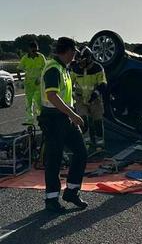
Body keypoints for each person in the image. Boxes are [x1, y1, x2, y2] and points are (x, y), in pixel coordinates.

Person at [38, 37, 88, 213]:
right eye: (73, 52)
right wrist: (73, 115)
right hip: (53, 119)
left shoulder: (63, 68)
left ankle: (72, 191)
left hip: (64, 118)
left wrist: (72, 115)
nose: (75, 56)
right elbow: (52, 96)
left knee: (81, 153)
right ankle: (51, 199)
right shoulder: (53, 68)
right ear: (66, 51)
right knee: (54, 159)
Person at [71, 46, 107, 150]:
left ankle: (100, 142)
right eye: (78, 61)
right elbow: (70, 82)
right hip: (80, 99)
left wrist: (95, 94)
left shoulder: (98, 68)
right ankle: (86, 141)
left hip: (95, 99)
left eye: (82, 61)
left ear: (89, 58)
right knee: (83, 119)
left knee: (98, 121)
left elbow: (103, 83)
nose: (80, 64)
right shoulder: (76, 68)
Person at [17, 41, 46, 124]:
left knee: (39, 101)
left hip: (39, 83)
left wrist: (40, 78)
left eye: (36, 50)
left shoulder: (41, 57)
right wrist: (20, 81)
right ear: (29, 49)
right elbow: (19, 69)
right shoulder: (25, 58)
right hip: (28, 83)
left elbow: (45, 69)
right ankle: (30, 120)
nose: (34, 52)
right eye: (33, 50)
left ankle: (41, 119)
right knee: (28, 102)